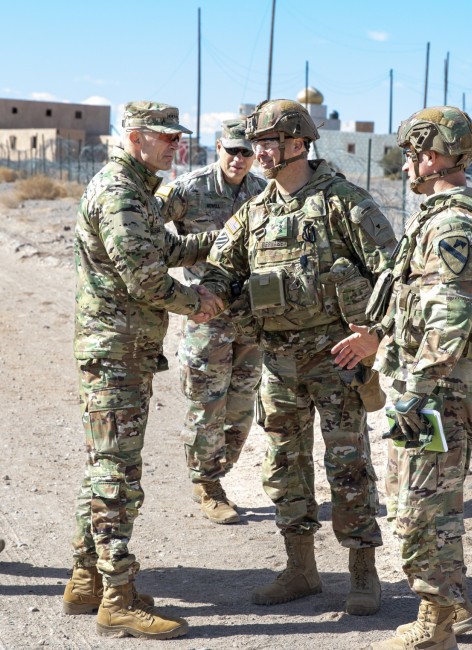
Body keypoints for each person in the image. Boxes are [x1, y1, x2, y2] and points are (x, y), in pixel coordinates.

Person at [199, 99, 397, 615]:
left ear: (298, 144)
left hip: (338, 360)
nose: (260, 152)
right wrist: (205, 296)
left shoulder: (343, 202)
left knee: (348, 465)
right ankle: (301, 570)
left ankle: (362, 574)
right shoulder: (254, 213)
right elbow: (222, 268)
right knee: (284, 465)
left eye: (270, 142)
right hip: (278, 363)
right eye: (256, 142)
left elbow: (392, 278)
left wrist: (373, 336)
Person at [332, 106, 472, 650]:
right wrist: (378, 335)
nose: (407, 164)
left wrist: (416, 391)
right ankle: (453, 602)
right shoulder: (436, 218)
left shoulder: (452, 225)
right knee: (431, 500)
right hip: (431, 385)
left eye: (412, 154)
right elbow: (417, 302)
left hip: (437, 393)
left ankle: (436, 625)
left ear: (431, 156)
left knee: (418, 509)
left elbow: (450, 318)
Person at [63, 101, 223, 640]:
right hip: (116, 350)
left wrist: (223, 238)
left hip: (121, 347)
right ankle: (117, 597)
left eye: (177, 137)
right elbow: (145, 279)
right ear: (135, 137)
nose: (175, 144)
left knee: (104, 466)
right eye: (165, 137)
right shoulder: (119, 193)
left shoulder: (137, 190)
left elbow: (165, 247)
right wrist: (195, 302)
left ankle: (86, 579)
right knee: (117, 475)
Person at [157, 119, 266, 524]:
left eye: (246, 152)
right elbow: (148, 232)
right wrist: (180, 279)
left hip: (252, 319)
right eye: (232, 150)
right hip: (208, 317)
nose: (238, 159)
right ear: (218, 147)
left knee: (240, 408)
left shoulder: (262, 191)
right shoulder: (189, 189)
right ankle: (208, 486)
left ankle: (221, 474)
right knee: (207, 405)